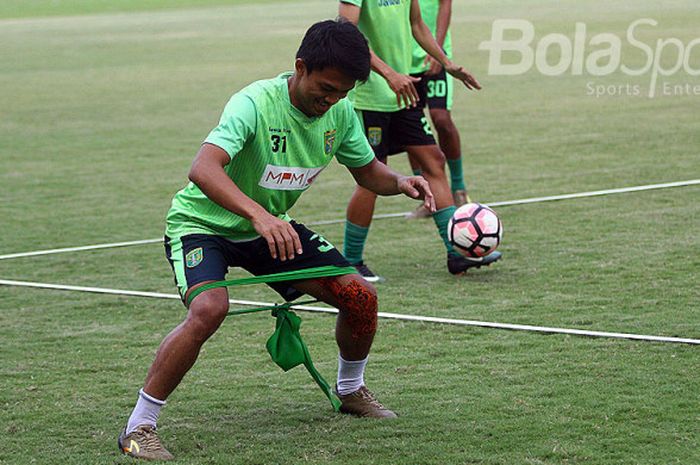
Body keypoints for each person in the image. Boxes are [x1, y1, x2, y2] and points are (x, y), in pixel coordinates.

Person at [117, 19, 436, 461]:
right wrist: (260, 215)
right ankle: (139, 427)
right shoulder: (254, 102)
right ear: (300, 67)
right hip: (203, 225)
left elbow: (367, 172)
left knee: (360, 296)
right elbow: (202, 169)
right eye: (326, 88)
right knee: (210, 308)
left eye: (343, 93)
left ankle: (350, 391)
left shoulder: (340, 113)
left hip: (269, 228)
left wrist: (401, 181)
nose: (332, 101)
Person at [339, 0, 502, 282]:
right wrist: (389, 74)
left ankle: (456, 252)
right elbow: (346, 34)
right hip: (372, 98)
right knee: (370, 177)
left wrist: (446, 62)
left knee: (434, 162)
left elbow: (417, 25)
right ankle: (351, 262)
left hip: (406, 92)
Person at [407, 0, 470, 219]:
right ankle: (429, 195)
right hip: (404, 59)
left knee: (441, 118)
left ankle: (459, 189)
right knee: (411, 125)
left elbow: (445, 4)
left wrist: (438, 50)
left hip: (432, 51)